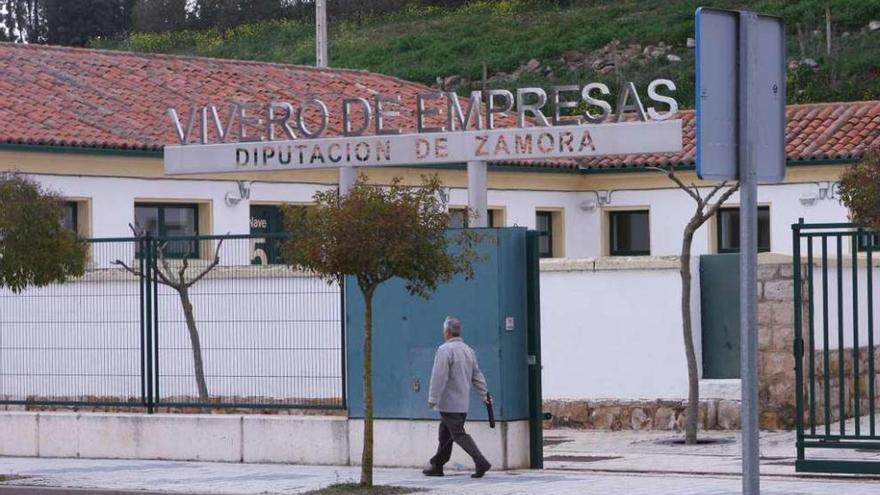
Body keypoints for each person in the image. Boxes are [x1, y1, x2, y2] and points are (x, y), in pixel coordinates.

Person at [422, 316, 492, 478]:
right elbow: (477, 376)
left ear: (447, 332)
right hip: (462, 403)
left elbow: (439, 376)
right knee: (445, 434)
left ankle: (481, 462)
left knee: (458, 434)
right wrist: (485, 395)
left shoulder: (444, 350)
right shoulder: (469, 350)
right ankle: (437, 465)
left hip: (449, 403)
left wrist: (433, 398)